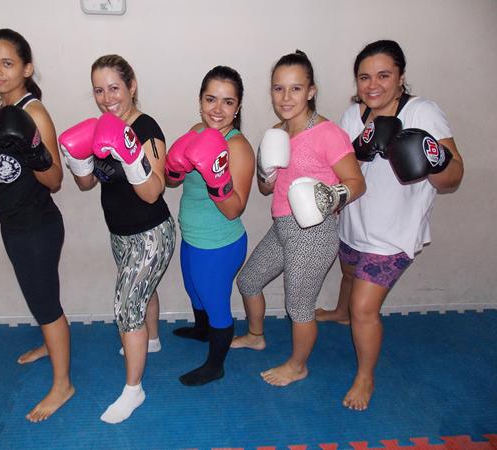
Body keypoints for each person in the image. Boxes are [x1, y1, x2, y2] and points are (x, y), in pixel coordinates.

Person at [315, 39, 464, 410]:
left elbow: (454, 178)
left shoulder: (422, 113)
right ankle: (340, 312)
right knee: (349, 274)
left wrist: (430, 159)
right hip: (355, 222)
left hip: (394, 234)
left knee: (365, 309)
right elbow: (342, 168)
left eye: (383, 75)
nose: (373, 85)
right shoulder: (353, 115)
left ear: (400, 77)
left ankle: (365, 376)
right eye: (364, 77)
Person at [0, 28, 73, 422]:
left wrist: (33, 149)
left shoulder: (33, 112)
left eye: (7, 63)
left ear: (26, 68)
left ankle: (62, 385)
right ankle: (49, 343)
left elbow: (54, 179)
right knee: (37, 297)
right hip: (13, 224)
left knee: (47, 305)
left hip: (37, 227)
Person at [231, 51, 366, 387]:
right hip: (283, 226)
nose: (286, 97)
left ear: (311, 91)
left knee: (299, 306)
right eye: (278, 89)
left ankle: (297, 365)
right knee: (248, 281)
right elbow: (266, 189)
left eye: (295, 88)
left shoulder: (328, 133)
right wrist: (266, 172)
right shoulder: (275, 133)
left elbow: (357, 182)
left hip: (314, 233)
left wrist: (332, 196)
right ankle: (256, 336)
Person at [58, 55, 175, 424]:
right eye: (99, 90)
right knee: (143, 293)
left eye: (114, 88)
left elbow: (154, 191)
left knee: (126, 308)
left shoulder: (146, 128)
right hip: (120, 233)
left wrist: (130, 154)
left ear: (131, 86)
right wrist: (76, 158)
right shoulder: (101, 128)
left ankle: (133, 391)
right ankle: (151, 340)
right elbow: (87, 183)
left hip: (152, 233)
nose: (107, 98)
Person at [165, 65, 255, 386]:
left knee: (216, 304)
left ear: (238, 107)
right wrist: (174, 169)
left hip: (219, 243)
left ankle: (216, 365)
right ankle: (202, 331)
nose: (218, 109)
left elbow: (234, 210)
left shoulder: (238, 147)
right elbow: (172, 181)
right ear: (200, 101)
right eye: (211, 99)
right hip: (192, 236)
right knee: (194, 291)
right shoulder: (196, 131)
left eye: (228, 102)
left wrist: (216, 178)